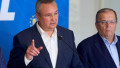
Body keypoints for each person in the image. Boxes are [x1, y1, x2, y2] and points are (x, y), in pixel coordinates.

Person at [7, 0, 83, 68]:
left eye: (56, 13)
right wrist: (27, 58)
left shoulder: (68, 35)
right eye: (48, 15)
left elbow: (76, 65)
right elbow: (12, 66)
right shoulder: (22, 38)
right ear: (37, 16)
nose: (54, 19)